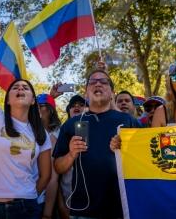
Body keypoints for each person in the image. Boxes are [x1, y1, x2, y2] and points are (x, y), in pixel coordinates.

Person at [0, 15, 51, 219]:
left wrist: (26, 195)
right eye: (15, 87)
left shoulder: (40, 133)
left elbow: (46, 176)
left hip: (26, 208)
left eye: (25, 88)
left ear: (33, 100)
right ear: (7, 99)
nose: (20, 88)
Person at [53, 69, 140, 219]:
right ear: (86, 92)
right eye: (92, 82)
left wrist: (126, 150)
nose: (98, 84)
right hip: (83, 210)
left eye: (103, 82)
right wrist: (71, 154)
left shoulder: (128, 121)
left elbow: (145, 158)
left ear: (112, 92)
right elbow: (58, 167)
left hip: (122, 209)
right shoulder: (72, 124)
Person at [37, 93, 62, 219]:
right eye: (37, 106)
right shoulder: (27, 130)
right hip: (21, 195)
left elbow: (52, 177)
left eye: (43, 106)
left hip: (42, 199)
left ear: (51, 109)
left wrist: (47, 214)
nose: (40, 108)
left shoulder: (57, 133)